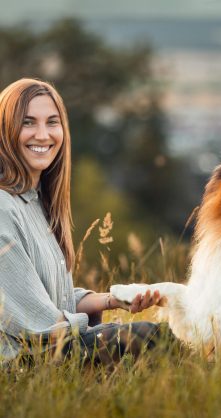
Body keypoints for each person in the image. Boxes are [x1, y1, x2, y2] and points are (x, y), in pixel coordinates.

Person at [0, 78, 162, 365]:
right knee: (149, 337)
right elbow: (36, 321)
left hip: (49, 346)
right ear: (4, 130)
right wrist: (104, 330)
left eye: (52, 122)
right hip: (23, 361)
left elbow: (49, 300)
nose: (42, 134)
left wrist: (114, 300)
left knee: (167, 338)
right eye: (28, 123)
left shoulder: (38, 203)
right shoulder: (3, 207)